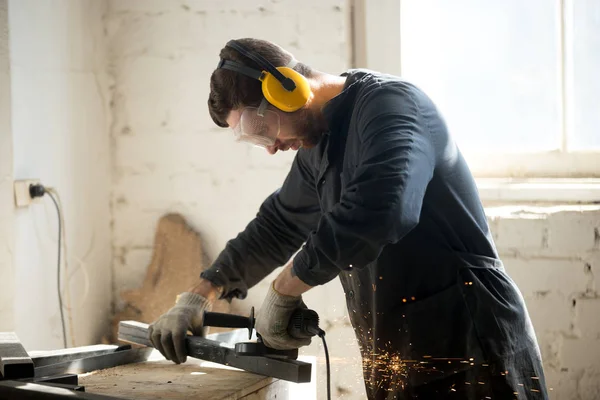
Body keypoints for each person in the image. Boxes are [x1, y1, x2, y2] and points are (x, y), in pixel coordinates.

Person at [148, 38, 549, 399]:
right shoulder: (316, 145)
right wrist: (199, 295)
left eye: (263, 127)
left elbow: (383, 209)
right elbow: (277, 226)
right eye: (255, 138)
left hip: (472, 345)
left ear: (288, 90)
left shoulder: (392, 108)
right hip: (401, 354)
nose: (270, 147)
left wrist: (285, 288)